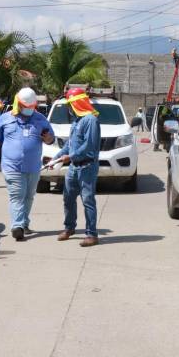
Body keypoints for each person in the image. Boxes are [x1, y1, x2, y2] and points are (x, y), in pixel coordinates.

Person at [0, 87, 55, 242]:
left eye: (31, 107)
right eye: (26, 107)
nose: (29, 110)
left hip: (33, 167)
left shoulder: (41, 119)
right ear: (18, 104)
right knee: (17, 196)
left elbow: (51, 139)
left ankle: (24, 223)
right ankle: (17, 226)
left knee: (28, 197)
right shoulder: (5, 119)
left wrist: (48, 138)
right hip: (11, 166)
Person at [52, 87, 101, 247]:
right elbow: (70, 145)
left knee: (87, 200)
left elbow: (89, 147)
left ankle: (91, 234)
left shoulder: (90, 120)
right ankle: (69, 228)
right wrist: (56, 158)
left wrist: (70, 157)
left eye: (71, 104)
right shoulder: (76, 121)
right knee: (68, 198)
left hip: (87, 167)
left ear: (78, 103)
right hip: (74, 167)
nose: (69, 108)